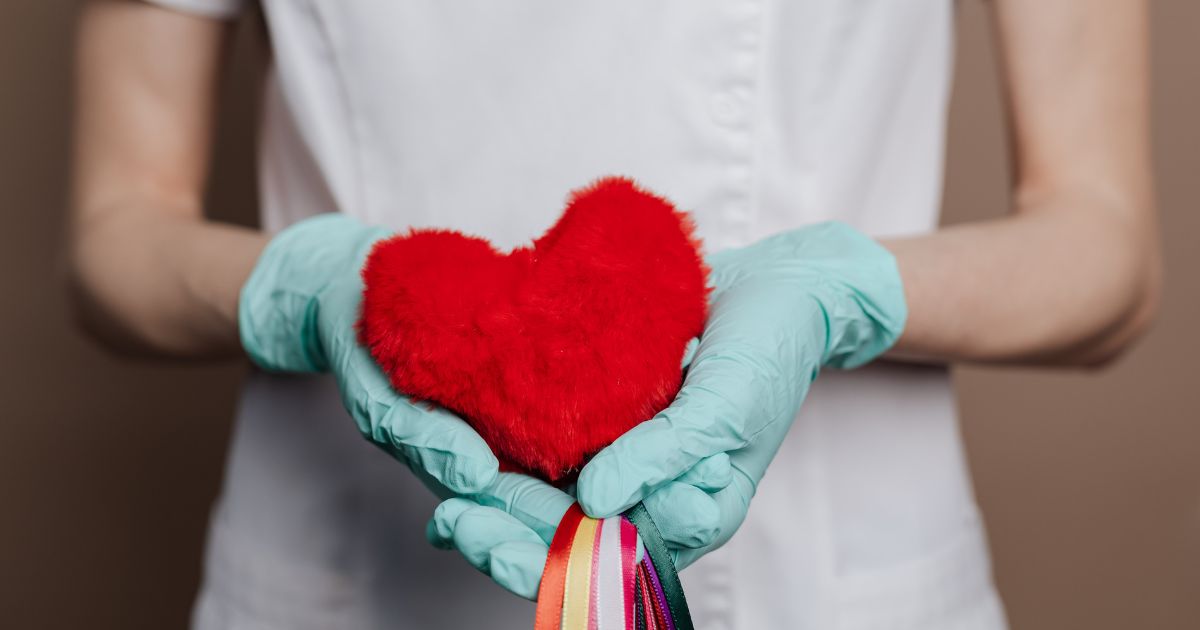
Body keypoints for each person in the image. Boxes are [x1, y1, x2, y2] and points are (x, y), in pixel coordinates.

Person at [67, 0, 1160, 628]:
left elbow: (1105, 246)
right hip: (343, 574)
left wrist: (838, 293)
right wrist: (310, 293)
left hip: (827, 587)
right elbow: (116, 231)